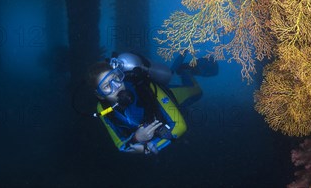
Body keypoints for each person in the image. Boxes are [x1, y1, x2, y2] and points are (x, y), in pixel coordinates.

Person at [89, 52, 217, 155]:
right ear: (100, 95)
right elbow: (120, 145)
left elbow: (180, 126)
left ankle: (186, 70)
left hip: (171, 95)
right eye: (107, 86)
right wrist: (136, 139)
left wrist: (148, 148)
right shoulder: (102, 108)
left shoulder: (142, 86)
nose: (116, 86)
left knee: (197, 92)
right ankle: (174, 71)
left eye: (116, 78)